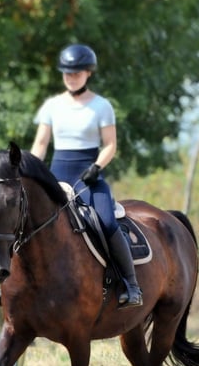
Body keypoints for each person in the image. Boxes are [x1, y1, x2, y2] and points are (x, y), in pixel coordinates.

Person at [34, 43, 143, 308]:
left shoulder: (101, 106)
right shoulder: (52, 106)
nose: (71, 77)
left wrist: (96, 167)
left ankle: (131, 284)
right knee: (26, 218)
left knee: (106, 221)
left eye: (77, 73)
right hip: (56, 174)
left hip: (89, 175)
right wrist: (31, 171)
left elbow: (110, 145)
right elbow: (40, 143)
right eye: (67, 73)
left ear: (88, 73)